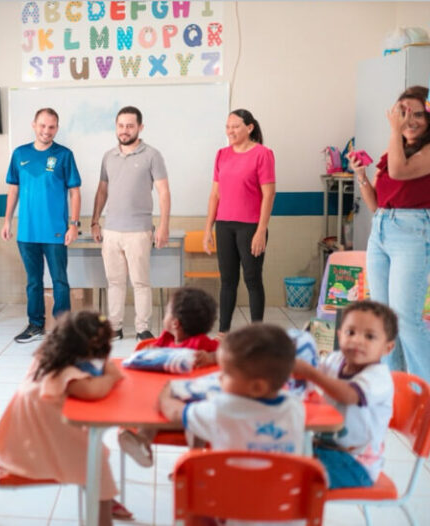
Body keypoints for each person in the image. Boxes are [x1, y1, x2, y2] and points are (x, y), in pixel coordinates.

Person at [0, 312, 132, 524]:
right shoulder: (65, 373)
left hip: (20, 438)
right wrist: (112, 375)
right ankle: (102, 506)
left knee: (94, 452)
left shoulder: (50, 355)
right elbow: (93, 390)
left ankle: (102, 496)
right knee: (96, 460)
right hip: (29, 450)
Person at [158, 323, 303, 524]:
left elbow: (175, 413)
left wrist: (166, 392)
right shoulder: (295, 407)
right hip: (285, 513)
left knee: (194, 493)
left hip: (234, 513)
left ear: (257, 387)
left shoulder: (223, 410)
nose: (219, 377)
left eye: (226, 373)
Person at [350, 86, 430, 384]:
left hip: (414, 232)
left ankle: (428, 393)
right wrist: (361, 176)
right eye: (402, 113)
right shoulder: (391, 154)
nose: (409, 120)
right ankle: (395, 390)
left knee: (406, 320)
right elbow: (376, 204)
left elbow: (398, 172)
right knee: (384, 320)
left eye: (417, 114)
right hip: (382, 229)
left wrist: (394, 130)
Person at [293, 300, 396, 489]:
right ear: (339, 335)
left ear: (387, 348)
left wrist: (309, 372)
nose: (357, 340)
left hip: (357, 465)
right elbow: (308, 370)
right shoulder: (335, 359)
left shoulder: (379, 377)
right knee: (276, 454)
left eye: (369, 336)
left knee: (290, 475)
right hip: (325, 448)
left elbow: (348, 395)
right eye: (351, 332)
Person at [2, 108, 82, 343]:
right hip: (27, 232)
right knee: (34, 282)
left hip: (55, 231)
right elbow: (13, 189)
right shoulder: (20, 154)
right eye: (43, 126)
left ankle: (63, 328)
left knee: (60, 281)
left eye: (51, 127)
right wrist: (7, 220)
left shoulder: (64, 155)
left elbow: (75, 192)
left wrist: (73, 224)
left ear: (57, 128)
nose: (47, 131)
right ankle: (35, 325)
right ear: (34, 125)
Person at [91, 106, 170, 341]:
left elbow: (164, 192)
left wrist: (163, 225)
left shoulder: (152, 155)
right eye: (121, 125)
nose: (124, 130)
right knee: (114, 282)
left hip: (139, 231)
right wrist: (94, 221)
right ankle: (115, 327)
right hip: (111, 231)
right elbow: (102, 191)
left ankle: (142, 328)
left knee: (140, 282)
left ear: (140, 127)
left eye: (130, 126)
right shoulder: (108, 156)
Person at [117, 286, 219, 467]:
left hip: (191, 405)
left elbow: (228, 354)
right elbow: (145, 360)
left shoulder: (201, 343)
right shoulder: (166, 340)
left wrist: (211, 357)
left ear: (175, 323)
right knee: (151, 412)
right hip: (162, 403)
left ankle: (193, 461)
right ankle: (143, 442)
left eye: (166, 312)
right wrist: (148, 353)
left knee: (197, 420)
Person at [203, 109, 276, 335]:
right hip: (224, 225)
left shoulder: (263, 154)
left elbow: (269, 195)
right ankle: (223, 332)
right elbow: (215, 195)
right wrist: (208, 229)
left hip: (250, 227)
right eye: (228, 127)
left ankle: (257, 333)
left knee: (252, 279)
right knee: (228, 281)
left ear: (249, 127)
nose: (230, 131)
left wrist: (261, 230)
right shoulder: (222, 154)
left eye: (235, 126)